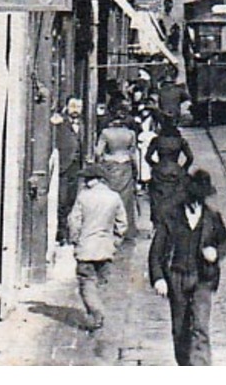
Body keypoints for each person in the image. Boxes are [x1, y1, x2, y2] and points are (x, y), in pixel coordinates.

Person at [150, 169, 226, 365]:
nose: (196, 204)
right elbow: (156, 251)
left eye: (200, 199)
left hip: (203, 278)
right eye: (194, 199)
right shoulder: (171, 217)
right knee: (180, 329)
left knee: (200, 326)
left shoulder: (212, 217)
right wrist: (159, 278)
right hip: (177, 277)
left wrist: (216, 252)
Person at [68, 165, 128, 332]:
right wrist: (115, 241)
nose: (85, 182)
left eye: (87, 179)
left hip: (86, 248)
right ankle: (95, 314)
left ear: (93, 179)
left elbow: (74, 222)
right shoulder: (114, 197)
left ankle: (96, 312)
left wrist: (75, 241)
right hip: (106, 248)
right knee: (101, 282)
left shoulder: (83, 197)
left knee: (86, 282)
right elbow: (122, 224)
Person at [93, 106, 139, 232]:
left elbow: (98, 152)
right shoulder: (130, 134)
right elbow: (134, 154)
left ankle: (109, 225)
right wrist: (137, 172)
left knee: (109, 195)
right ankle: (127, 228)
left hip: (110, 165)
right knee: (126, 198)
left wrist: (101, 160)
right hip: (126, 165)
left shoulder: (106, 133)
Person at [146, 117, 195, 223]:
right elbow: (190, 158)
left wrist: (155, 165)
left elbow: (147, 157)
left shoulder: (157, 140)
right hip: (175, 169)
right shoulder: (181, 141)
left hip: (160, 169)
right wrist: (183, 168)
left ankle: (158, 220)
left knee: (157, 197)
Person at [51, 97, 84, 244]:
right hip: (63, 166)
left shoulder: (82, 124)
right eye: (72, 106)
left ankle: (67, 232)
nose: (75, 110)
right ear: (66, 107)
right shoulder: (60, 122)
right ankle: (61, 233)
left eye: (78, 107)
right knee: (61, 200)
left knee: (71, 200)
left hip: (75, 168)